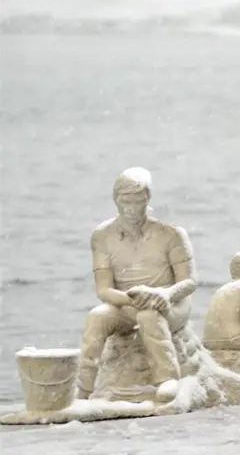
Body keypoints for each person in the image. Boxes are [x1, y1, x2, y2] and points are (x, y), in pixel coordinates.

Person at [76, 167, 197, 402]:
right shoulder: (102, 235)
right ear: (116, 201)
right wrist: (133, 298)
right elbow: (103, 290)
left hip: (169, 303)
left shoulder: (171, 234)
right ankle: (82, 387)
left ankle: (167, 379)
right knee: (97, 317)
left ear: (147, 199)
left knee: (149, 316)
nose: (131, 209)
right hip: (127, 303)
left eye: (138, 201)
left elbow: (189, 281)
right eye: (125, 201)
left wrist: (164, 294)